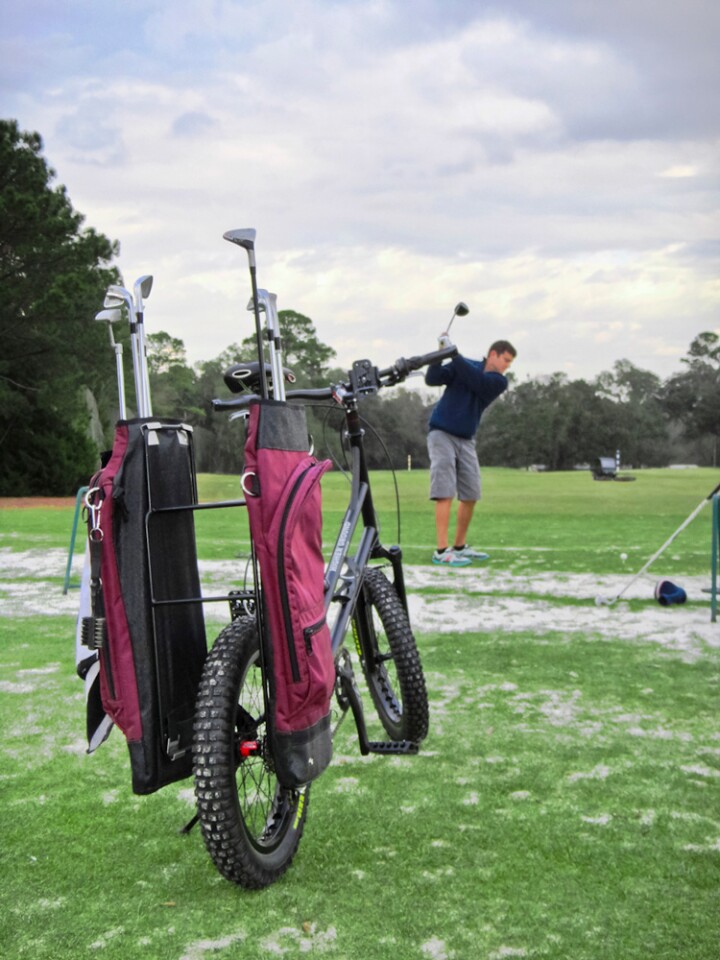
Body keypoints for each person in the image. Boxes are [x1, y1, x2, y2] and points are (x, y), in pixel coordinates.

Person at [425, 337, 516, 567]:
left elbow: (476, 382)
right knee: (444, 491)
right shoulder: (465, 365)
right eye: (505, 360)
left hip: (466, 439)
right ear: (493, 354)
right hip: (442, 433)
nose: (507, 366)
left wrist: (453, 354)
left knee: (471, 493)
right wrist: (439, 355)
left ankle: (459, 546)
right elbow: (432, 378)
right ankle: (441, 550)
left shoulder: (497, 382)